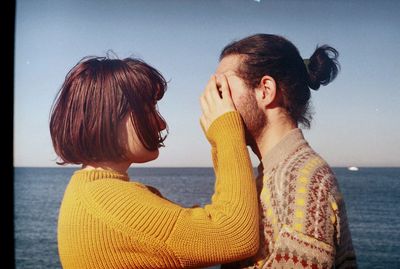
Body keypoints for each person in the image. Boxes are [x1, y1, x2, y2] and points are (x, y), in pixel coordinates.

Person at [49, 56, 260, 268]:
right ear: (107, 115)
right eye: (148, 109)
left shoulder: (87, 192)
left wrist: (218, 141)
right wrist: (225, 129)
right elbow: (236, 236)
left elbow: (209, 227)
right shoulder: (106, 201)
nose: (161, 123)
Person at [214, 34, 357, 268]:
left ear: (265, 90)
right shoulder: (278, 174)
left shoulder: (300, 182)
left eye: (224, 89)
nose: (218, 102)